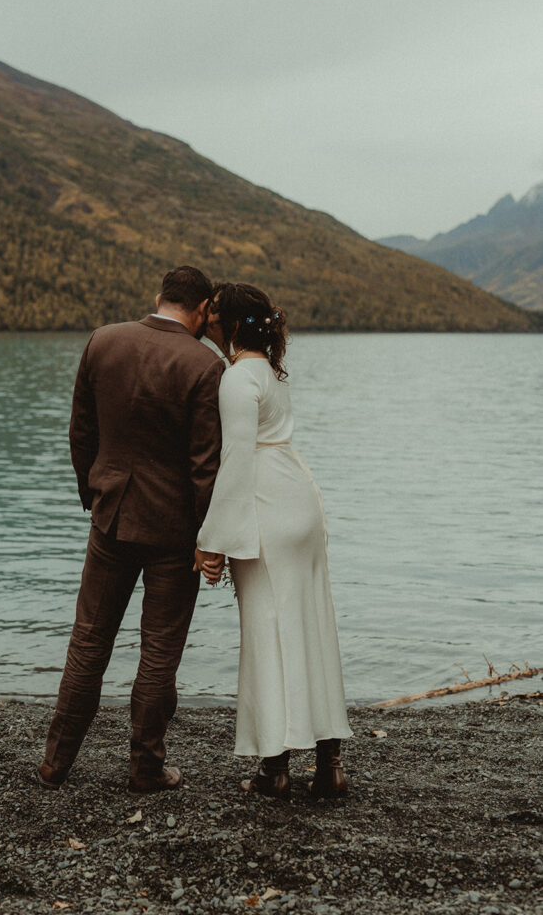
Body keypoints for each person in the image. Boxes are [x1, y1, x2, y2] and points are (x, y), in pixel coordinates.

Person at [38, 266, 225, 794]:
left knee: (88, 644)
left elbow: (82, 431)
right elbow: (204, 465)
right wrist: (210, 538)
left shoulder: (104, 341)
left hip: (111, 517)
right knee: (159, 653)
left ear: (158, 297)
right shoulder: (206, 366)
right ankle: (145, 768)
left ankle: (56, 762)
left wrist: (93, 494)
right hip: (174, 529)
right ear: (204, 310)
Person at [195, 282, 352, 800]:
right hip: (301, 503)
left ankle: (274, 770)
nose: (206, 319)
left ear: (233, 325)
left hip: (269, 509)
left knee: (266, 632)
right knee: (312, 626)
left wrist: (211, 541)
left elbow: (237, 463)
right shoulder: (271, 373)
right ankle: (329, 765)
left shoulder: (238, 378)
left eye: (214, 313)